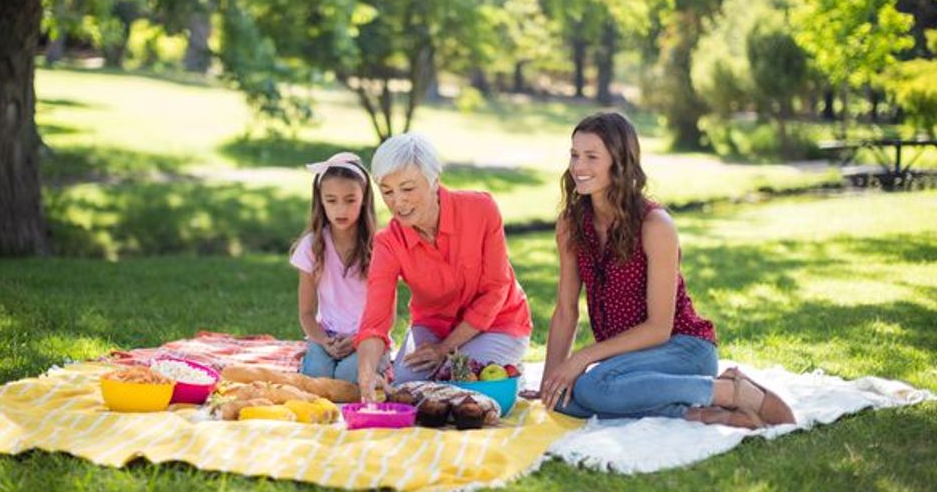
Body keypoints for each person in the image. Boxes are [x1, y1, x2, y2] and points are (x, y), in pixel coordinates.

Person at [539, 112, 795, 428]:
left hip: (684, 350)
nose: (578, 167)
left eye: (591, 156)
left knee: (591, 387)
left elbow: (659, 328)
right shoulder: (570, 224)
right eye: (574, 155)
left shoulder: (654, 224)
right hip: (628, 364)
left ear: (618, 162)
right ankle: (694, 413)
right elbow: (566, 311)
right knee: (563, 399)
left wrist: (581, 357)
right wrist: (547, 385)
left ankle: (729, 391)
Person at [354, 133, 533, 402]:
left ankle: (510, 375)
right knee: (405, 386)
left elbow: (497, 289)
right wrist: (366, 372)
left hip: (499, 322)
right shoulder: (388, 242)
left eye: (407, 188)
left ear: (434, 180)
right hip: (435, 326)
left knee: (456, 380)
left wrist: (445, 349)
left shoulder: (481, 209)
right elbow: (375, 320)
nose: (397, 202)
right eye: (387, 191)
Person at [290, 152, 377, 384]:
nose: (341, 209)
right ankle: (310, 360)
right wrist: (323, 341)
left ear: (364, 199)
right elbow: (307, 313)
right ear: (321, 201)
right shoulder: (311, 247)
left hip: (369, 335)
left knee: (346, 378)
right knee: (318, 377)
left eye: (350, 200)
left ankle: (379, 366)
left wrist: (360, 338)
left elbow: (385, 314)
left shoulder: (378, 247)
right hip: (326, 335)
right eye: (331, 200)